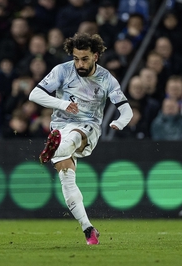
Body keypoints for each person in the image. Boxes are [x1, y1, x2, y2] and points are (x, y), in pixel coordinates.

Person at [28, 33, 133, 245]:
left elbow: (127, 111)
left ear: (95, 56)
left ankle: (55, 148)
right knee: (67, 179)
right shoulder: (62, 70)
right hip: (60, 126)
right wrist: (62, 104)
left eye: (84, 59)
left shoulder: (106, 79)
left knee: (76, 134)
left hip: (88, 128)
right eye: (76, 58)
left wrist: (119, 123)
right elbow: (34, 95)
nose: (79, 63)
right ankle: (88, 228)